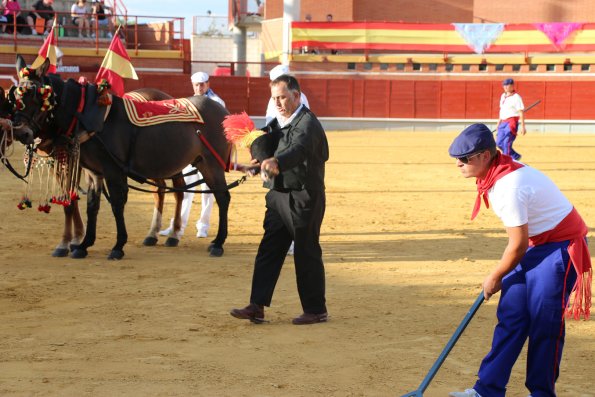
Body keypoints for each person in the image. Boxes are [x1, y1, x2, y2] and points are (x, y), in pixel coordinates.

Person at [447, 123, 591, 397]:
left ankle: (541, 394)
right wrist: (504, 272)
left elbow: (518, 244)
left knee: (544, 324)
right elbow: (523, 241)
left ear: (485, 156)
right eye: (457, 158)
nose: (458, 164)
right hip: (537, 245)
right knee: (511, 317)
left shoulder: (507, 186)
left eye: (464, 158)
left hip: (560, 249)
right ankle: (487, 390)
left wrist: (496, 275)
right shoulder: (495, 175)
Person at [230, 74, 329, 325]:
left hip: (303, 197)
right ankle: (257, 305)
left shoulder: (308, 124)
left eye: (283, 97)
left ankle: (316, 310)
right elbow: (267, 142)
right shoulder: (279, 122)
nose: (278, 102)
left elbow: (299, 150)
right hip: (278, 195)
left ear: (296, 96)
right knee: (269, 249)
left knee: (306, 252)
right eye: (275, 98)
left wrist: (277, 161)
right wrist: (256, 163)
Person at [159, 71, 225, 238]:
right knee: (186, 189)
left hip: (209, 153)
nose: (199, 87)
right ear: (192, 85)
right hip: (190, 152)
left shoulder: (217, 103)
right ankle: (178, 225)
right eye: (196, 84)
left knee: (208, 191)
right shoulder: (188, 102)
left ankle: (203, 225)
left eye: (202, 84)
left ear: (208, 84)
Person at [264, 64, 310, 256]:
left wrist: (276, 159)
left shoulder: (298, 99)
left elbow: (298, 135)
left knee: (293, 208)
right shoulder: (276, 98)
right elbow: (270, 127)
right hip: (279, 158)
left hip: (292, 163)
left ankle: (293, 242)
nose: (278, 100)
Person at [496, 78, 525, 161]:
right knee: (499, 143)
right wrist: (498, 123)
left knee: (506, 143)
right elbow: (502, 110)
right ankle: (515, 156)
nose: (505, 87)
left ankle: (506, 161)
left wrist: (523, 126)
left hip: (511, 122)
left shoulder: (516, 97)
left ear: (512, 86)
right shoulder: (503, 96)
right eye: (504, 85)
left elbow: (521, 112)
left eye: (507, 85)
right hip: (503, 122)